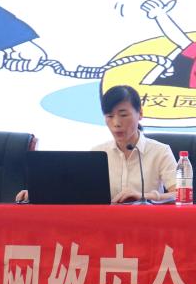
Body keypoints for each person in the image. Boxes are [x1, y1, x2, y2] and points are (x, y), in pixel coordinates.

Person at [16, 85, 177, 203]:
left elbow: (181, 194)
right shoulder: (98, 153)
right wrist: (38, 193)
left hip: (147, 227)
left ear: (140, 113)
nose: (116, 123)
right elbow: (76, 192)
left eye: (123, 115)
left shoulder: (160, 152)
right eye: (109, 116)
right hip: (105, 227)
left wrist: (144, 197)